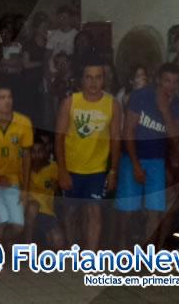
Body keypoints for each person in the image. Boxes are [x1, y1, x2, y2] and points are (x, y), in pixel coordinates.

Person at [115, 63, 179, 248]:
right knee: (128, 210)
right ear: (158, 81)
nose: (170, 86)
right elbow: (128, 132)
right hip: (132, 158)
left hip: (156, 161)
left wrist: (165, 110)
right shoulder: (141, 96)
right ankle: (123, 251)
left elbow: (177, 139)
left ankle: (147, 255)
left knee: (154, 211)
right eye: (167, 81)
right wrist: (136, 164)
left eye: (175, 82)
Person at [55, 57, 121, 250]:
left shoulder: (113, 105)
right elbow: (58, 139)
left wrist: (113, 171)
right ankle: (73, 250)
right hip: (72, 168)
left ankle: (90, 257)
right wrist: (62, 170)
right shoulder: (69, 103)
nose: (93, 83)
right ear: (81, 79)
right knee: (71, 212)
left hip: (97, 170)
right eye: (89, 77)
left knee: (94, 212)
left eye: (98, 77)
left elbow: (116, 140)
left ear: (104, 79)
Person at [0, 84, 33, 247]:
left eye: (9, 97)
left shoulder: (24, 122)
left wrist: (25, 188)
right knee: (1, 218)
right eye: (2, 98)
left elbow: (26, 156)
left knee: (18, 226)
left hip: (13, 181)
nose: (7, 101)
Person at [24, 134, 63, 249]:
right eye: (33, 152)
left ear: (45, 152)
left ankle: (42, 244)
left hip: (47, 213)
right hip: (27, 213)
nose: (37, 155)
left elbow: (58, 191)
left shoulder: (53, 167)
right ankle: (26, 247)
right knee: (33, 206)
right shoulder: (24, 168)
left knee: (58, 241)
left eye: (40, 151)